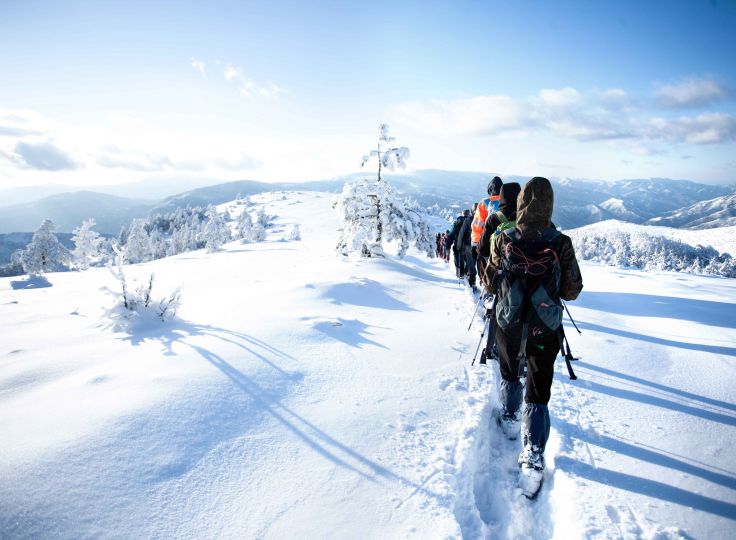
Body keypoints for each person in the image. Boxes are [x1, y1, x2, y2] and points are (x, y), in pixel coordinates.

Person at [484, 177, 583, 496]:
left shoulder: (504, 236)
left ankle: (511, 416)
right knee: (538, 388)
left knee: (510, 371)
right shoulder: (561, 242)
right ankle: (533, 456)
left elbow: (487, 279)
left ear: (522, 203)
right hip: (544, 328)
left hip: (509, 323)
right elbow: (573, 290)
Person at [478, 182, 522, 285]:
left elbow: (483, 250)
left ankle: (487, 291)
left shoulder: (494, 218)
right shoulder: (525, 217)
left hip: (501, 273)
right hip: (526, 269)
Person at [458, 204, 478, 290]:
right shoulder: (483, 219)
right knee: (476, 262)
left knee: (470, 262)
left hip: (469, 244)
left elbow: (461, 233)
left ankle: (471, 279)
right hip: (480, 244)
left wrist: (459, 246)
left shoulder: (467, 220)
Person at [447, 211, 467, 278]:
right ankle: (467, 275)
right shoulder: (471, 222)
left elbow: (450, 236)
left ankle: (460, 274)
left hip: (458, 246)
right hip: (469, 245)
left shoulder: (456, 224)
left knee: (458, 260)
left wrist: (448, 247)